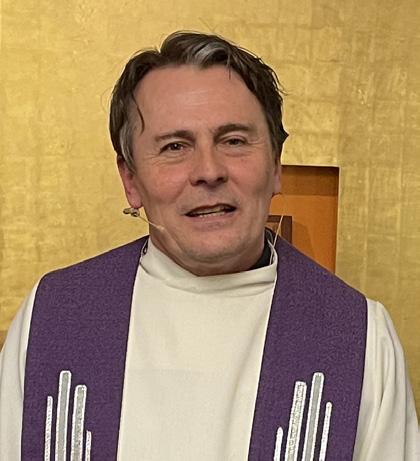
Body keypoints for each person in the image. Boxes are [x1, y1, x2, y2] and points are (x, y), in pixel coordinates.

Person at [0, 31, 418, 461]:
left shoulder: (358, 337)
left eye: (233, 140)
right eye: (174, 146)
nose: (208, 170)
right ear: (131, 180)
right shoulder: (55, 317)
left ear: (276, 165)